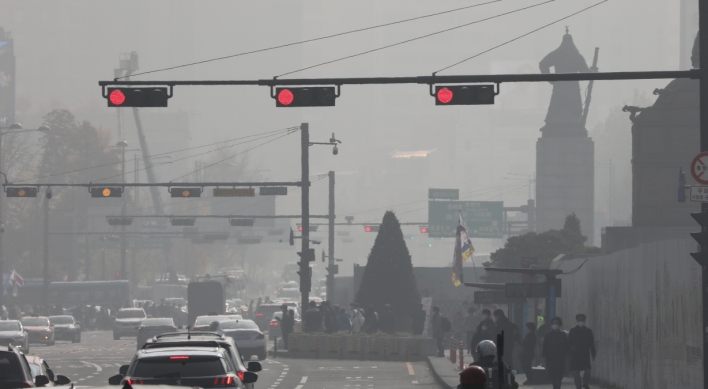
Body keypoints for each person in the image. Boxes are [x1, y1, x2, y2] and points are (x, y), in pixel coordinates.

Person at [568, 314, 596, 389]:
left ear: (584, 320)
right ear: (576, 320)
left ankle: (585, 383)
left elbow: (592, 343)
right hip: (575, 354)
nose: (580, 321)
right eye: (579, 320)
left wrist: (593, 354)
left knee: (588, 370)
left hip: (585, 353)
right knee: (576, 372)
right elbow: (569, 343)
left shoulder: (588, 331)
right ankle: (578, 386)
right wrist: (569, 352)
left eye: (582, 320)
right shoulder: (573, 331)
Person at [542, 317, 569, 389]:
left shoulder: (563, 335)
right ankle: (554, 385)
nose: (555, 325)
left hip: (560, 358)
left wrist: (566, 354)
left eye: (557, 323)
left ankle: (557, 386)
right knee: (551, 373)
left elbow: (566, 346)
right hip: (550, 358)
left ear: (560, 324)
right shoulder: (548, 335)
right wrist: (544, 356)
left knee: (559, 374)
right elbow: (544, 346)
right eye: (553, 323)